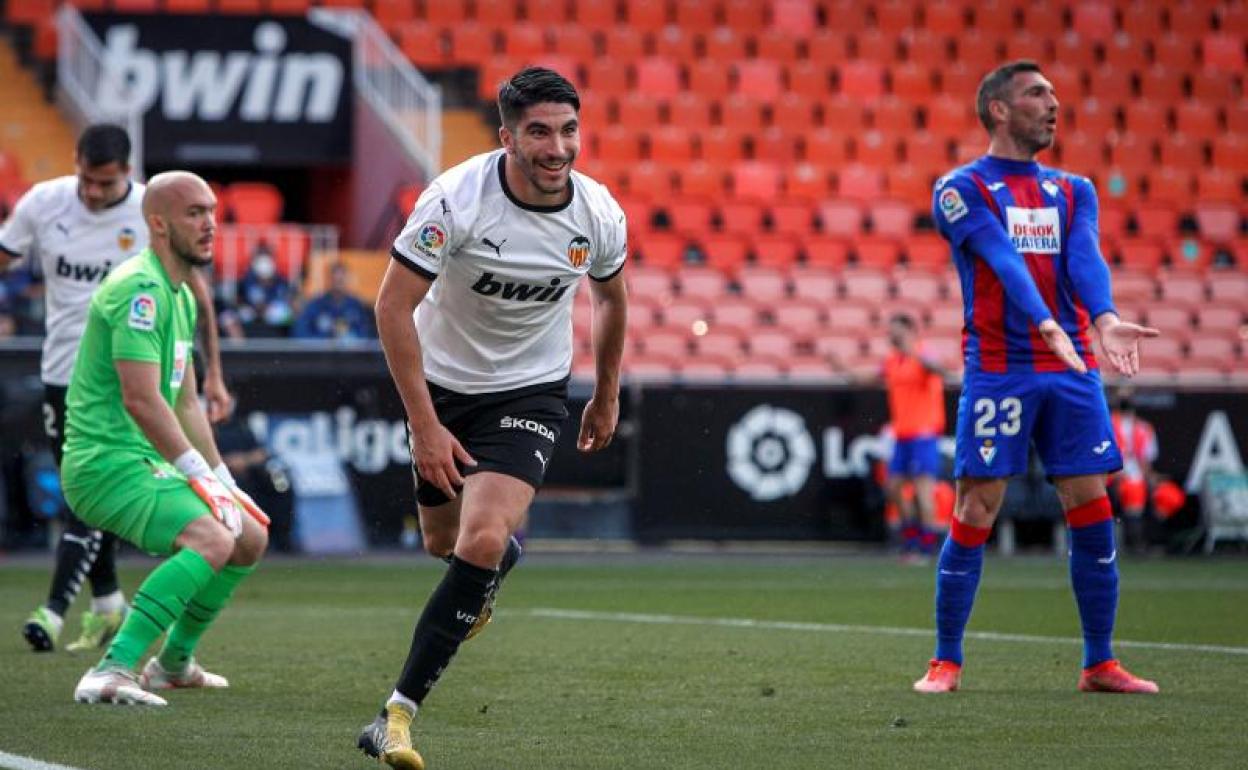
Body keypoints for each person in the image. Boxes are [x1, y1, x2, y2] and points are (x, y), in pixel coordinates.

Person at [357, 67, 627, 769]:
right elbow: (391, 307)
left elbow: (612, 301)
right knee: (444, 544)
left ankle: (396, 714)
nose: (557, 146)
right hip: (441, 387)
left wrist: (606, 393)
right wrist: (423, 424)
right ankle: (494, 566)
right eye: (539, 131)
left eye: (568, 129)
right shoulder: (454, 200)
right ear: (507, 136)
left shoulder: (597, 213)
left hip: (531, 392)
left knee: (477, 538)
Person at [913, 61, 1162, 695]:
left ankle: (1099, 662)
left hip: (1071, 367)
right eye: (1037, 93)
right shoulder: (960, 188)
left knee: (1092, 503)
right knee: (976, 505)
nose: (1054, 103)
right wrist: (1045, 320)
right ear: (998, 109)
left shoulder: (1076, 189)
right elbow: (999, 254)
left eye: (1053, 91)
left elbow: (1084, 259)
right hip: (999, 370)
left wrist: (1103, 320)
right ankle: (946, 661)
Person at [0, 125, 232, 654]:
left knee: (98, 491)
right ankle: (106, 604)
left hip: (139, 372)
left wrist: (214, 371)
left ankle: (58, 609)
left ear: (127, 175)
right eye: (85, 178)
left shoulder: (154, 211)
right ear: (74, 163)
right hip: (67, 372)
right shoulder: (44, 202)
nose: (91, 193)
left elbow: (198, 288)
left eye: (104, 184)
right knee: (86, 489)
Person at [62, 171, 268, 706]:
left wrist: (222, 478)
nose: (209, 224)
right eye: (194, 213)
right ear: (158, 224)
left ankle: (172, 664)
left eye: (212, 212)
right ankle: (112, 669)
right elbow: (141, 400)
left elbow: (183, 402)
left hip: (145, 461)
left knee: (248, 534)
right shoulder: (141, 291)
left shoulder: (178, 293)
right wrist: (199, 475)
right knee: (213, 537)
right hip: (104, 464)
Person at [880, 313, 948, 561]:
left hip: (924, 434)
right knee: (893, 488)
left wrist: (913, 353)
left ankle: (927, 548)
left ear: (910, 332)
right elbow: (874, 376)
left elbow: (940, 370)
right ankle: (911, 539)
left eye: (896, 330)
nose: (892, 335)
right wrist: (842, 369)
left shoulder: (923, 354)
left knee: (923, 491)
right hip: (902, 435)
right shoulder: (892, 361)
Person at [1109, 388, 1159, 553]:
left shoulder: (1143, 427)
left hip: (1135, 472)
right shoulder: (1108, 423)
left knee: (1167, 495)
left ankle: (1151, 541)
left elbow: (1146, 458)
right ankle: (1135, 543)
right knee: (1132, 489)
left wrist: (1148, 477)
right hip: (1112, 473)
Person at [292, 262, 375, 340]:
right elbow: (301, 333)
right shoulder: (316, 305)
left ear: (346, 280)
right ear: (329, 280)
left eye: (341, 281)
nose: (338, 285)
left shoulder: (356, 305)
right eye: (335, 280)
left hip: (351, 354)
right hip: (321, 354)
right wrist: (326, 339)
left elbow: (366, 336)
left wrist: (349, 339)